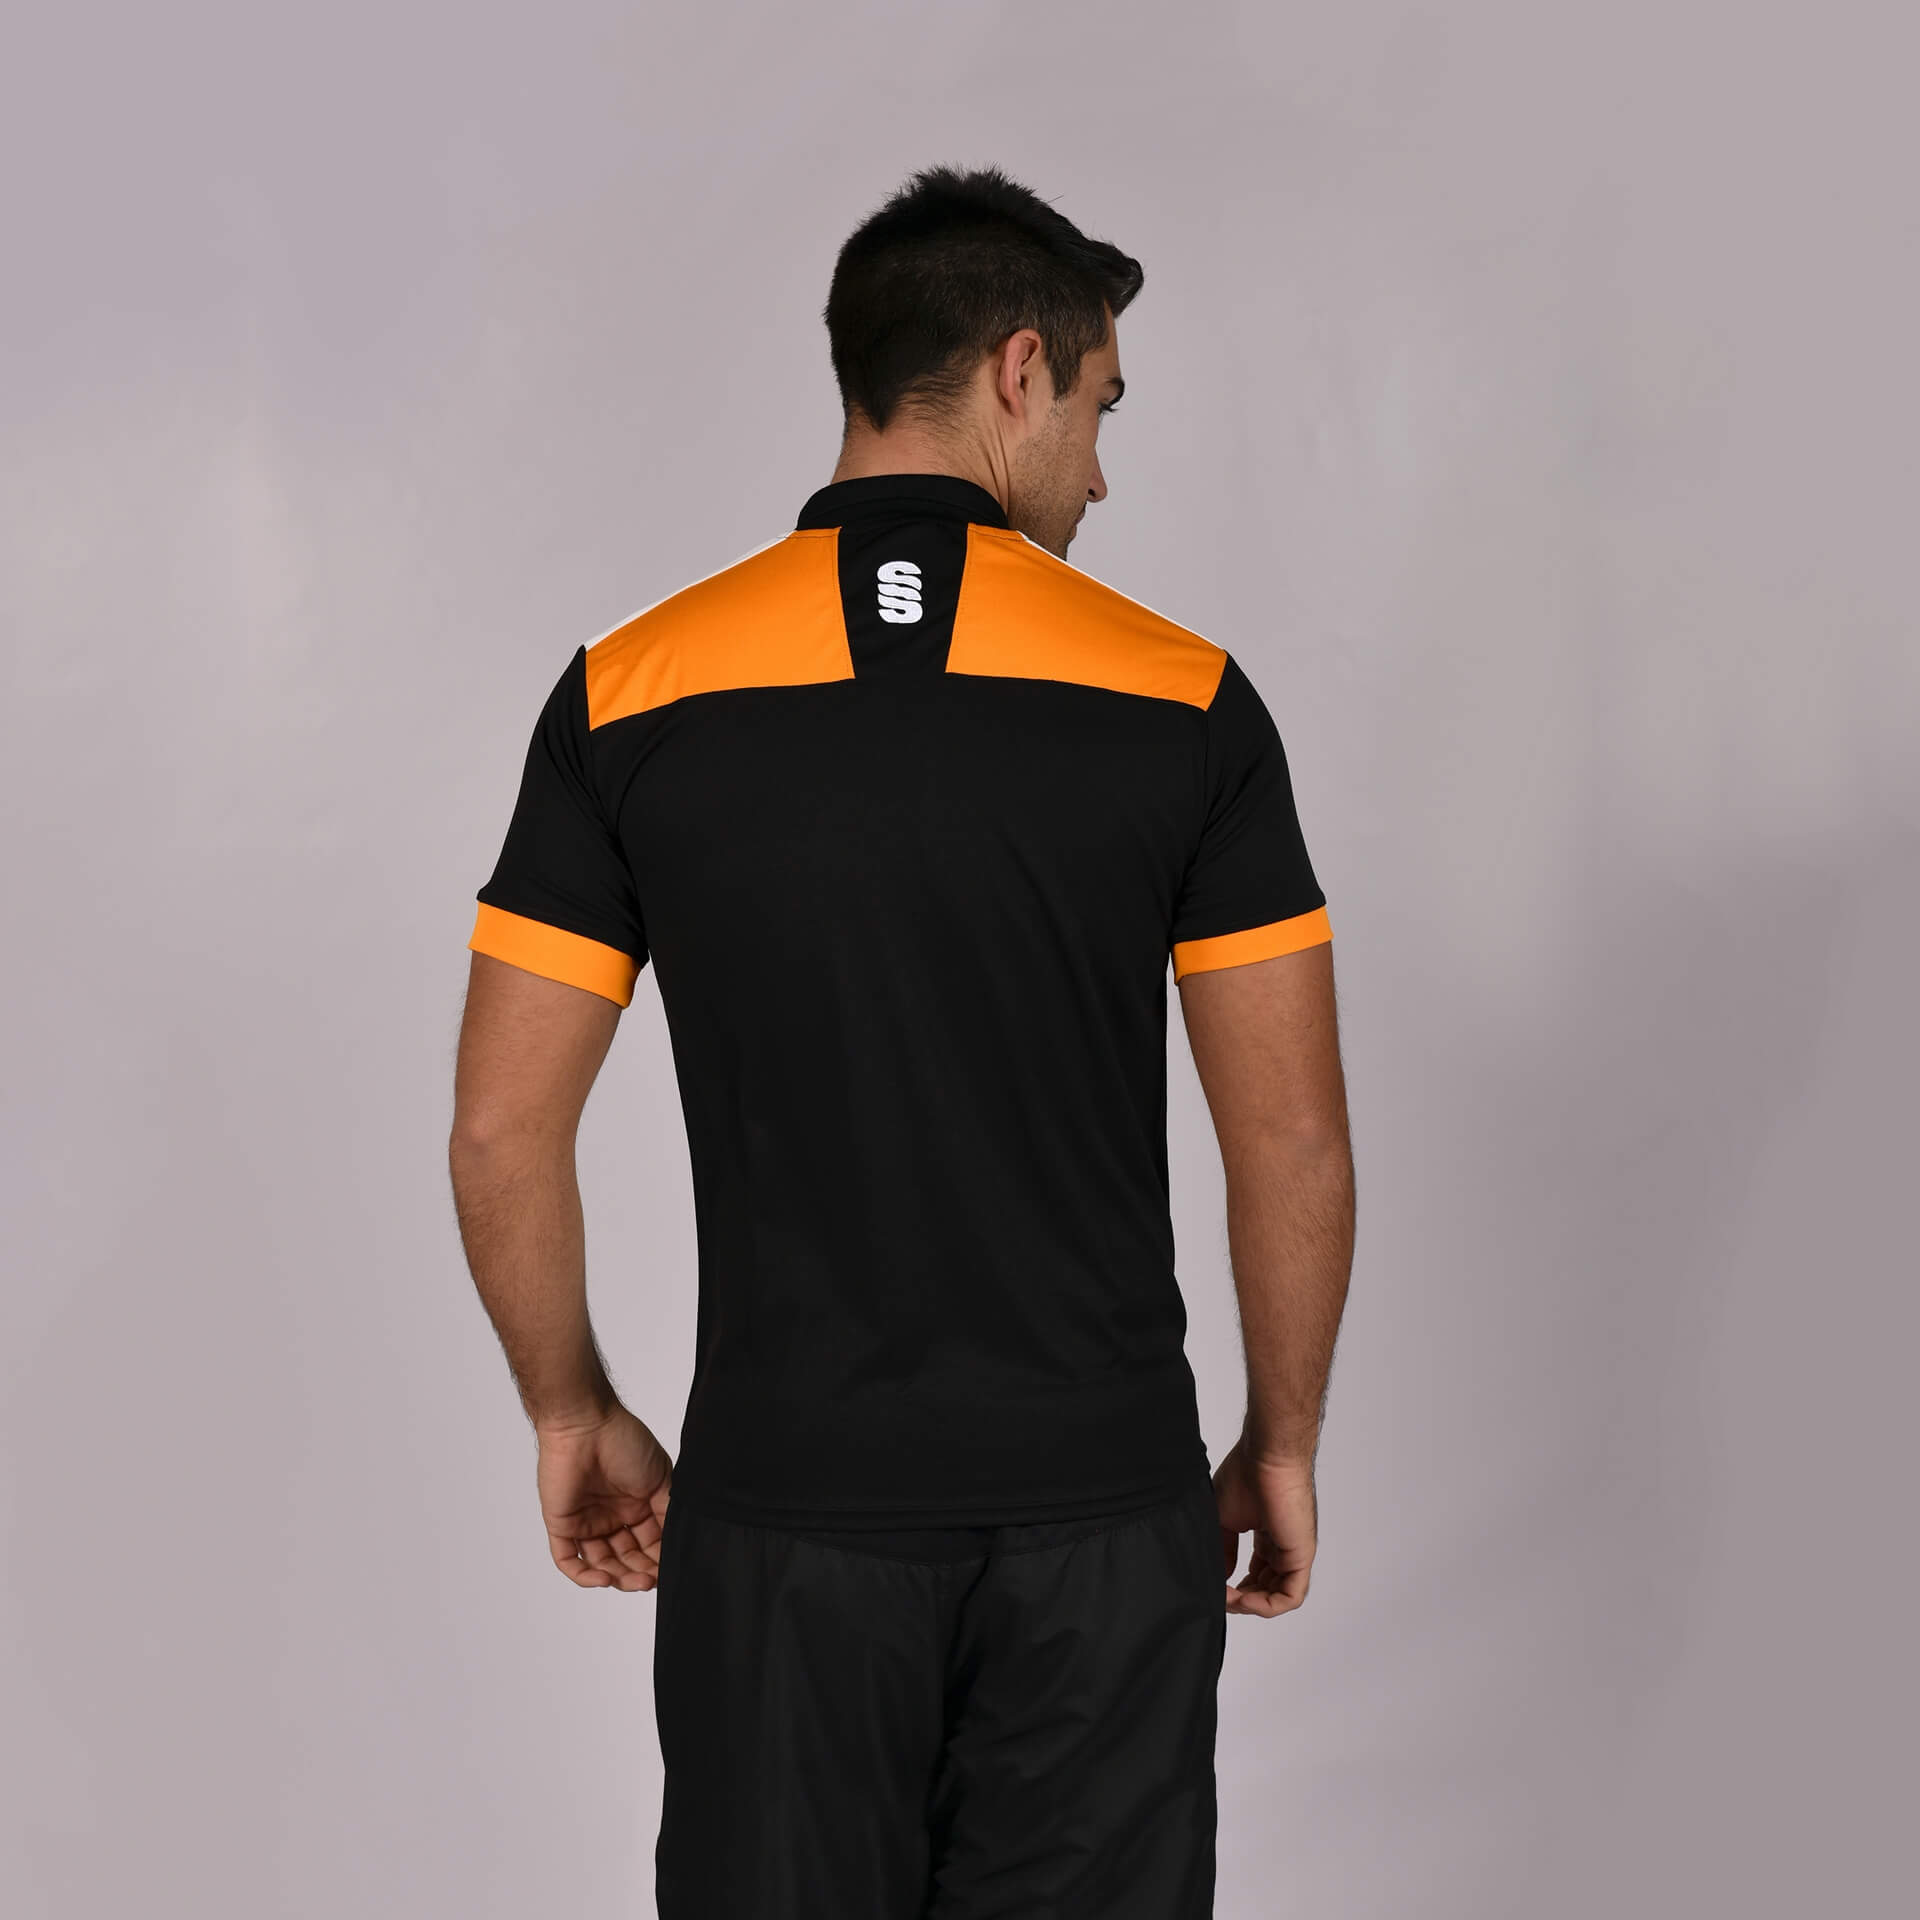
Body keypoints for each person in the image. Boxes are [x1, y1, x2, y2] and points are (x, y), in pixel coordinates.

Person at [448, 162, 1355, 1919]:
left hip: (785, 1522)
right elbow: (1291, 1140)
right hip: (1102, 1524)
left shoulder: (631, 690)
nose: (1102, 470)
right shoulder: (1185, 698)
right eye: (1101, 408)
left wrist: (571, 1410)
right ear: (1021, 370)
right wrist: (1284, 1436)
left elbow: (501, 1131)